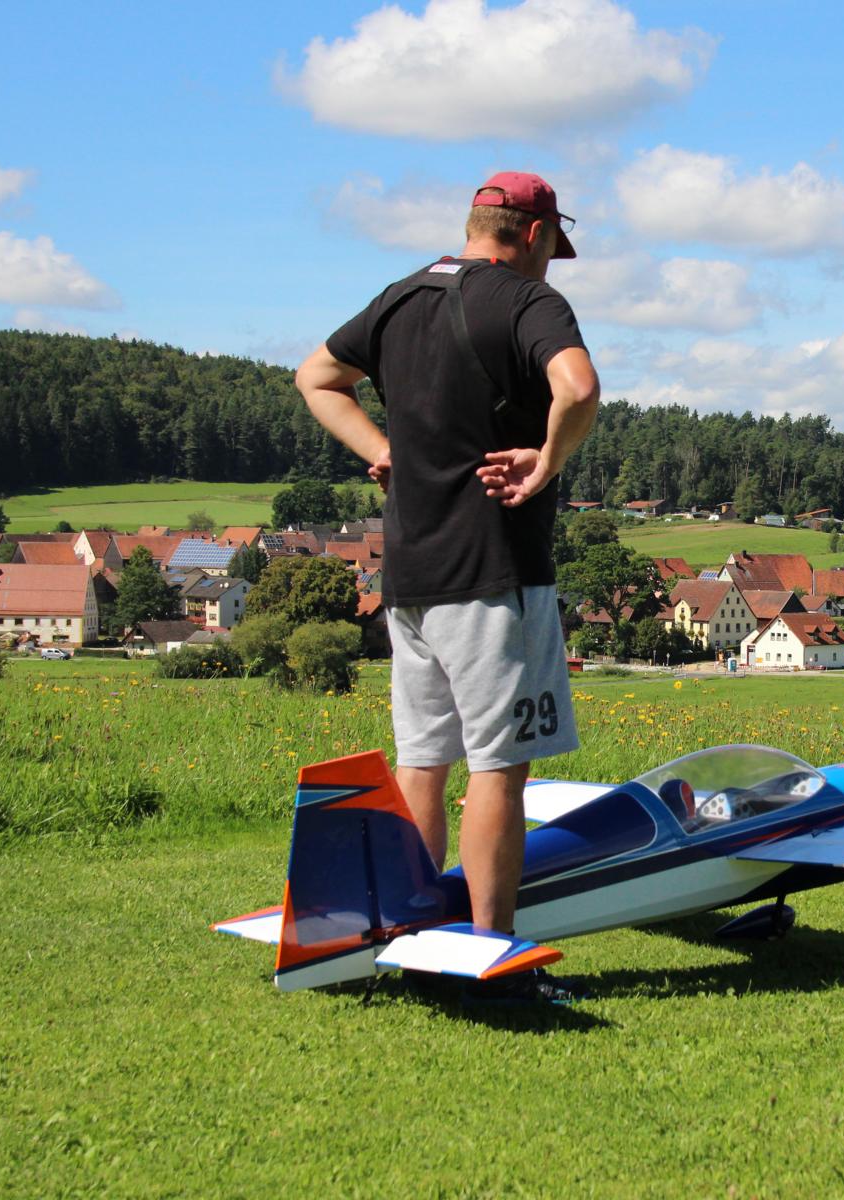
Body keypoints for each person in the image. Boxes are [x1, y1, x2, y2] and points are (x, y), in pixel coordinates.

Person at [296, 171, 599, 998]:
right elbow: (578, 388)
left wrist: (379, 449)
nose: (550, 264)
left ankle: (409, 938)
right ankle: (491, 959)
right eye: (552, 249)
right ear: (533, 235)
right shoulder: (528, 301)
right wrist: (548, 458)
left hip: (409, 573)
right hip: (495, 570)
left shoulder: (397, 298)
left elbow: (316, 376)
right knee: (500, 768)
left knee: (424, 763)